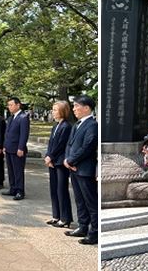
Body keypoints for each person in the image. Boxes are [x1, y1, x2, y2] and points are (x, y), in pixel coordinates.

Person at [64, 95, 98, 245]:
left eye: (76, 106)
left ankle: (94, 232)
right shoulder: (77, 124)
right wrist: (67, 160)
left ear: (86, 108)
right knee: (79, 200)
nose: (74, 109)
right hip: (74, 168)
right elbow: (70, 145)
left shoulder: (92, 125)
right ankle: (82, 226)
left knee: (90, 201)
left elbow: (88, 146)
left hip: (84, 169)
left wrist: (71, 160)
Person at [45, 101, 74, 228]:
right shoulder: (55, 126)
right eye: (53, 109)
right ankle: (56, 215)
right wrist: (48, 156)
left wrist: (51, 156)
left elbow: (61, 144)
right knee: (53, 189)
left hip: (60, 161)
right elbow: (51, 144)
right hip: (52, 161)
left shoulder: (66, 126)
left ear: (62, 111)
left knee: (61, 189)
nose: (53, 112)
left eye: (55, 110)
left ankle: (65, 218)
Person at [3, 97, 30, 200]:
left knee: (18, 170)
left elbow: (24, 134)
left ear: (18, 105)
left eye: (11, 105)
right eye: (8, 105)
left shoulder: (23, 117)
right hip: (9, 147)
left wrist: (21, 147)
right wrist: (4, 145)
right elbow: (7, 133)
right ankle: (12, 188)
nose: (9, 107)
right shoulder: (11, 118)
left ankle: (20, 190)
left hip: (17, 149)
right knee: (10, 170)